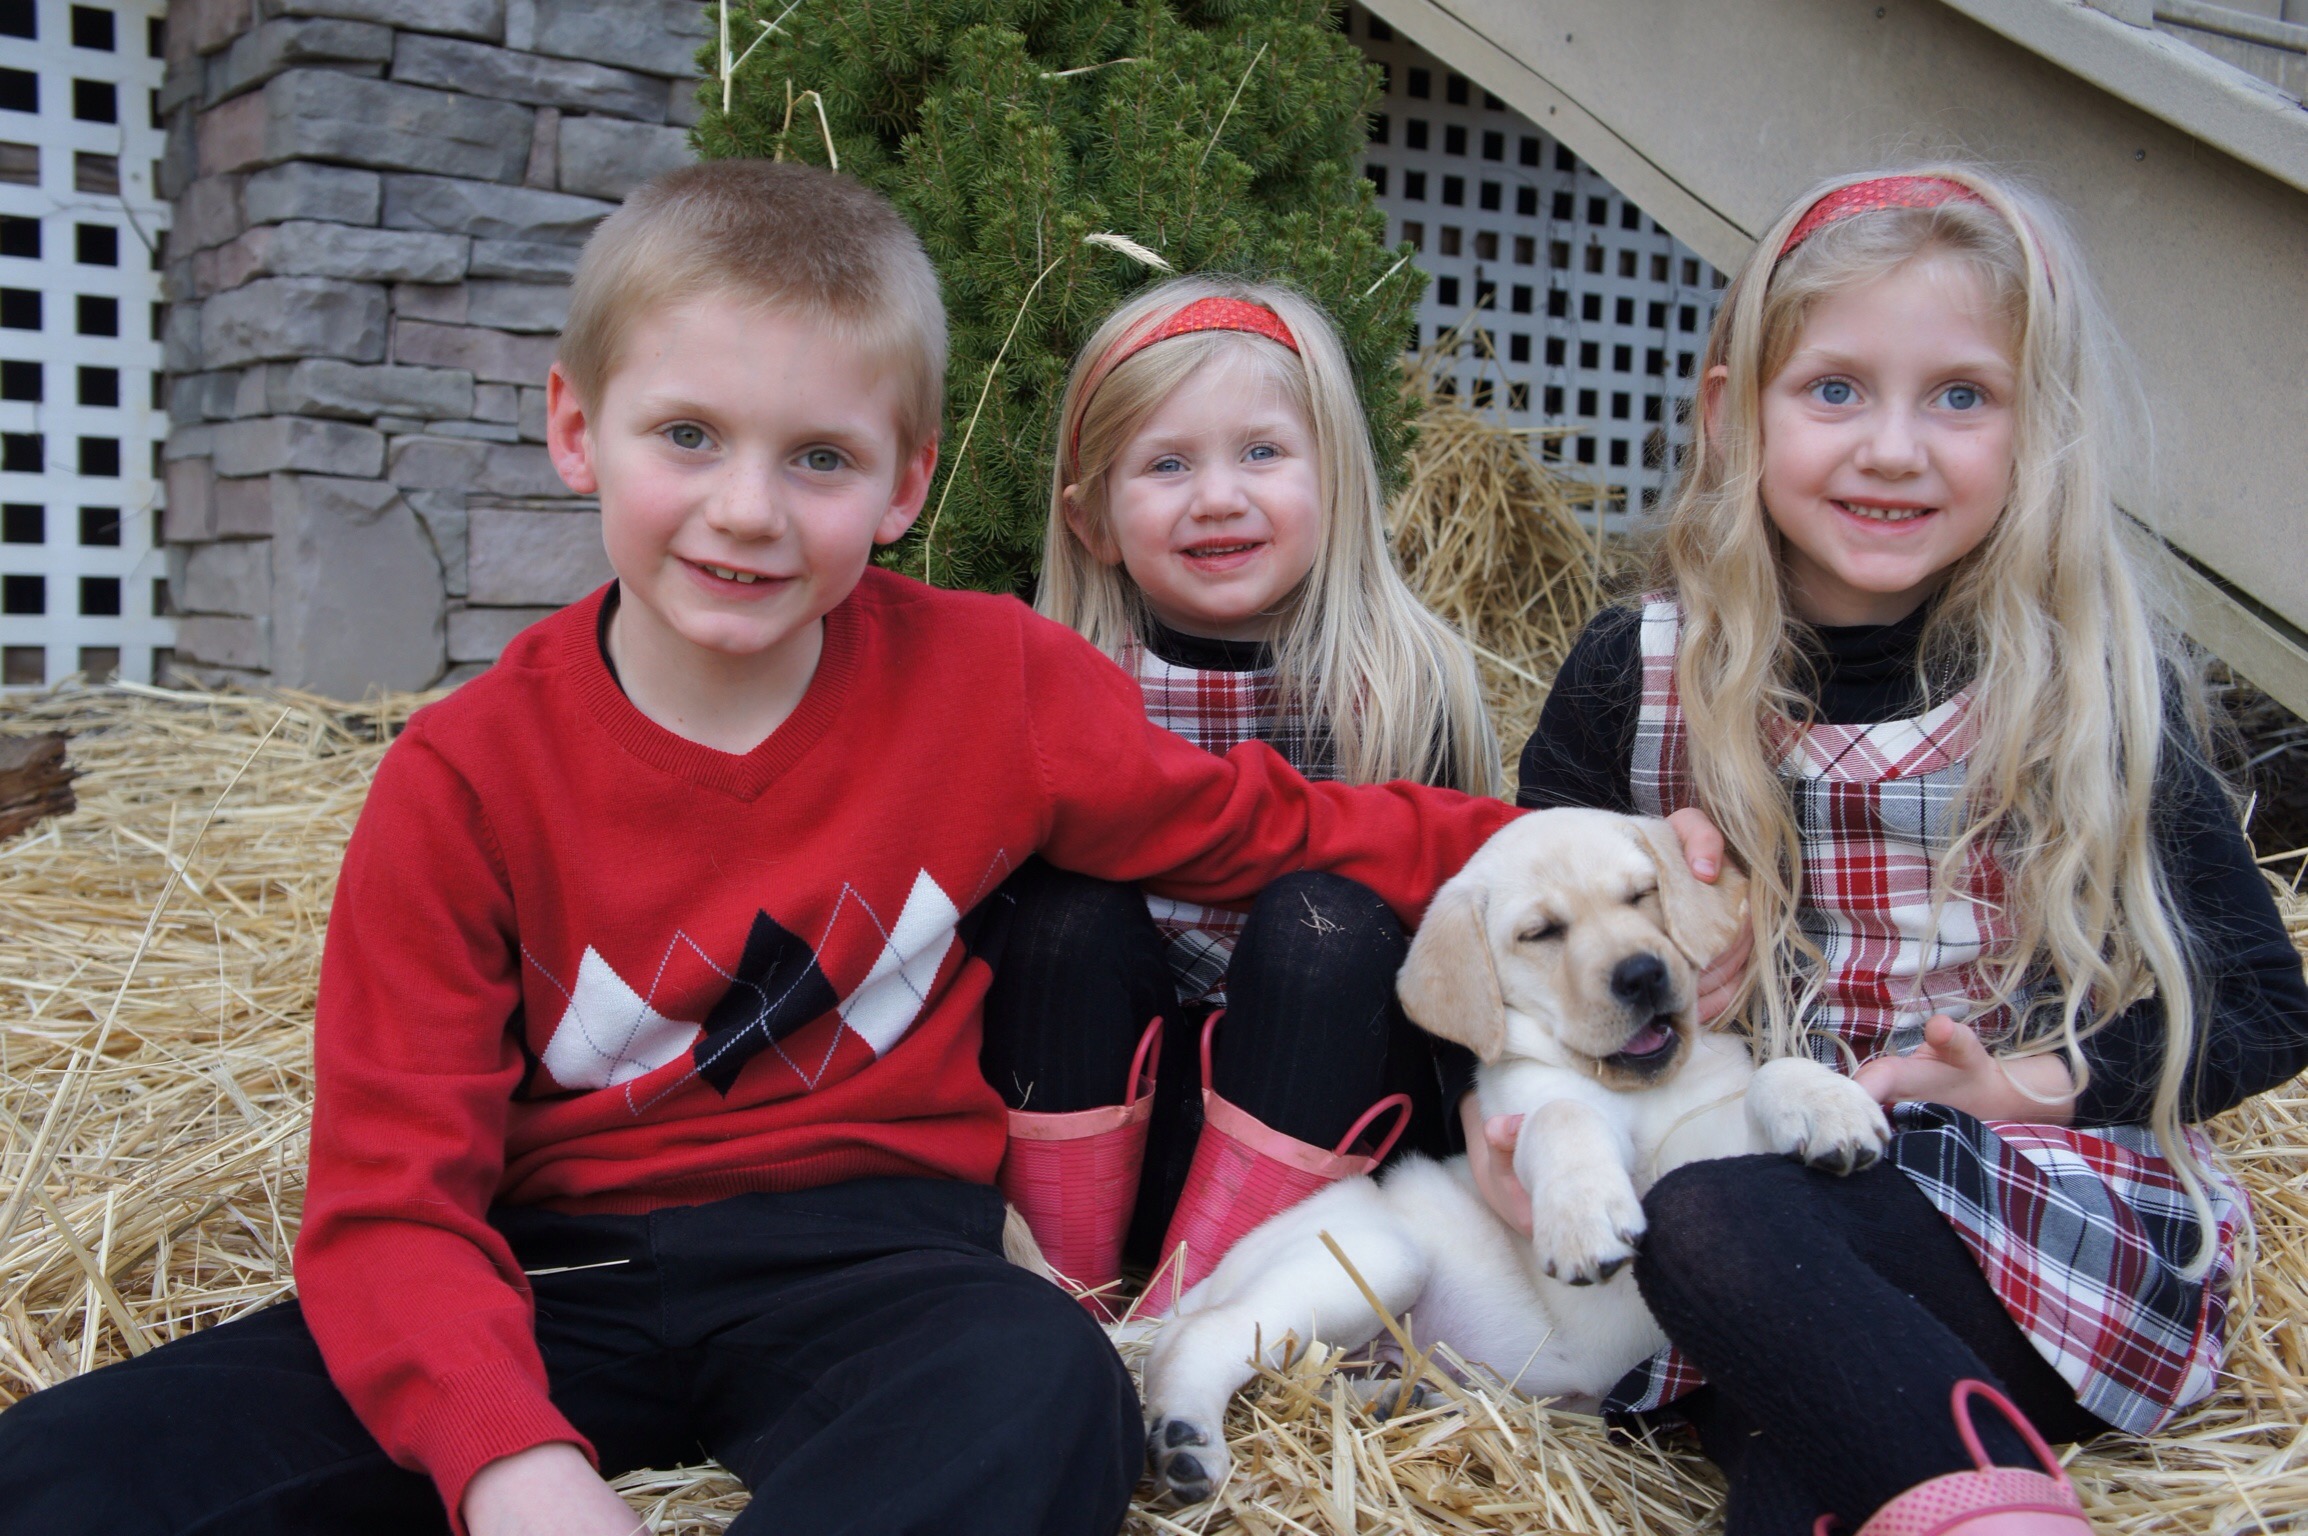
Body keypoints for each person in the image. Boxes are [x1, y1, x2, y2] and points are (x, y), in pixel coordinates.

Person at [0, 162, 1529, 1536]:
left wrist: (1557, 847)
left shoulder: (993, 687)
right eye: (688, 436)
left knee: (1049, 1390)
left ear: (906, 482)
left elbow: (1266, 826)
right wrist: (508, 1464)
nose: (747, 511)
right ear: (576, 429)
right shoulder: (460, 781)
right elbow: (390, 1203)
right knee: (69, 1470)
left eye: (819, 459)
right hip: (556, 1276)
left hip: (875, 1267)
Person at [1496, 167, 2308, 1535]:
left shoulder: (2085, 687)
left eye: (1961, 397)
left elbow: (2263, 1001)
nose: (1892, 448)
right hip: (1747, 1205)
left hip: (2017, 1222)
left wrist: (2028, 1086)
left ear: (2038, 432)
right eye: (1835, 390)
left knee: (1714, 1225)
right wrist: (1642, 938)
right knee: (1783, 1442)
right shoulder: (1636, 677)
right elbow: (1516, 944)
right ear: (1731, 412)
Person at [979, 276, 1505, 1317]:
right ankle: (1066, 1303)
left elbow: (1462, 960)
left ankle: (1217, 1316)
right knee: (1058, 916)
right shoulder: (1056, 683)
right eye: (1167, 464)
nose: (1217, 496)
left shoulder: (1402, 683)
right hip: (1097, 1120)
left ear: (1337, 480)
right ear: (1090, 520)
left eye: (1261, 452)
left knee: (1326, 925)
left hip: (1328, 1123)